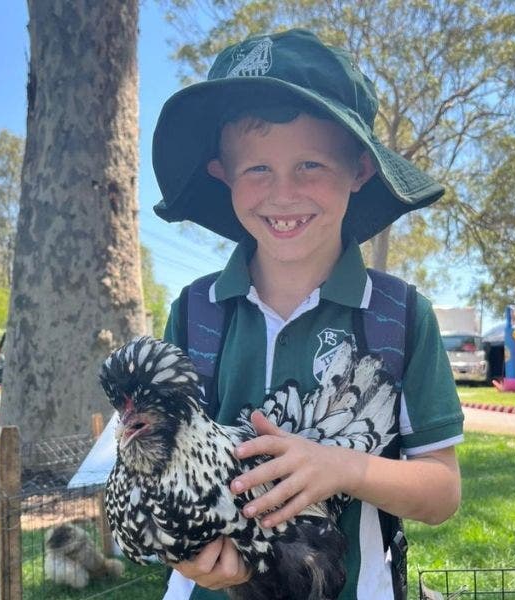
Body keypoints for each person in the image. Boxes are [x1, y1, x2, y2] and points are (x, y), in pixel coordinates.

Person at [153, 29, 463, 600]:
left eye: (311, 164)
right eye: (257, 170)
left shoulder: (402, 315)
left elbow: (442, 492)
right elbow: (156, 466)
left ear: (360, 170)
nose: (283, 193)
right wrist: (187, 553)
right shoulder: (193, 311)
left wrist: (343, 468)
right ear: (223, 175)